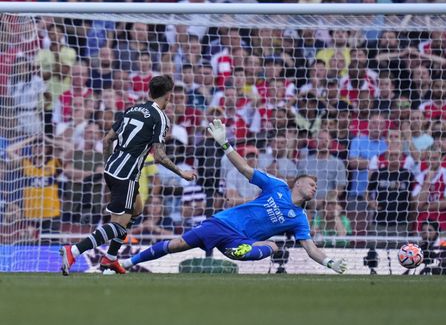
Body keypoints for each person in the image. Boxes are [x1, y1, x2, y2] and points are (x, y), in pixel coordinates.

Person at [120, 119, 347, 274]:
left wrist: (329, 262)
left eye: (316, 186)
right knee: (177, 244)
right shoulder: (277, 186)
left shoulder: (300, 218)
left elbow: (310, 248)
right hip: (223, 223)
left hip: (241, 241)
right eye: (311, 183)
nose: (314, 187)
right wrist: (224, 143)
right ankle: (128, 262)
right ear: (298, 183)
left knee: (274, 247)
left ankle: (240, 251)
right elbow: (245, 169)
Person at [59, 75, 197, 276]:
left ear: (149, 92)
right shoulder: (160, 118)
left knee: (137, 210)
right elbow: (159, 155)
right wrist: (182, 173)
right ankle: (74, 250)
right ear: (169, 96)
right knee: (117, 225)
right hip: (127, 175)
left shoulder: (131, 110)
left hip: (112, 169)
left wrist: (109, 164)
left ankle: (111, 258)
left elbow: (107, 140)